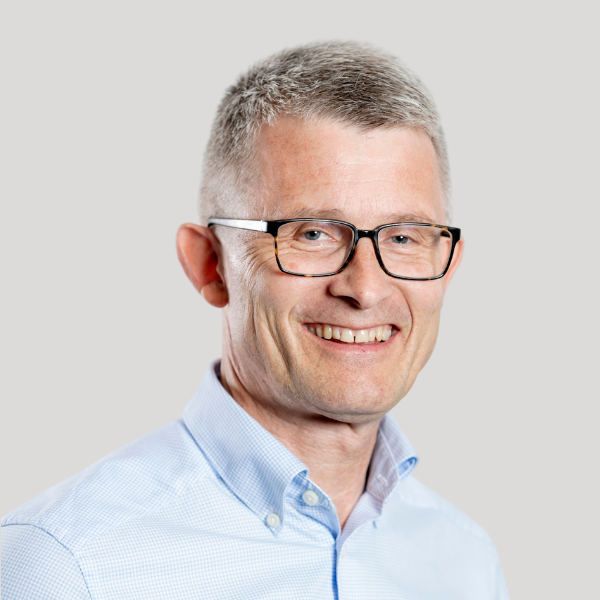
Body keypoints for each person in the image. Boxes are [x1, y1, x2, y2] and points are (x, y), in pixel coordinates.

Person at [2, 41, 509, 599]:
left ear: (447, 267)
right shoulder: (67, 567)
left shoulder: (465, 563)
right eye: (312, 234)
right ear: (210, 263)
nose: (366, 289)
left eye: (404, 238)